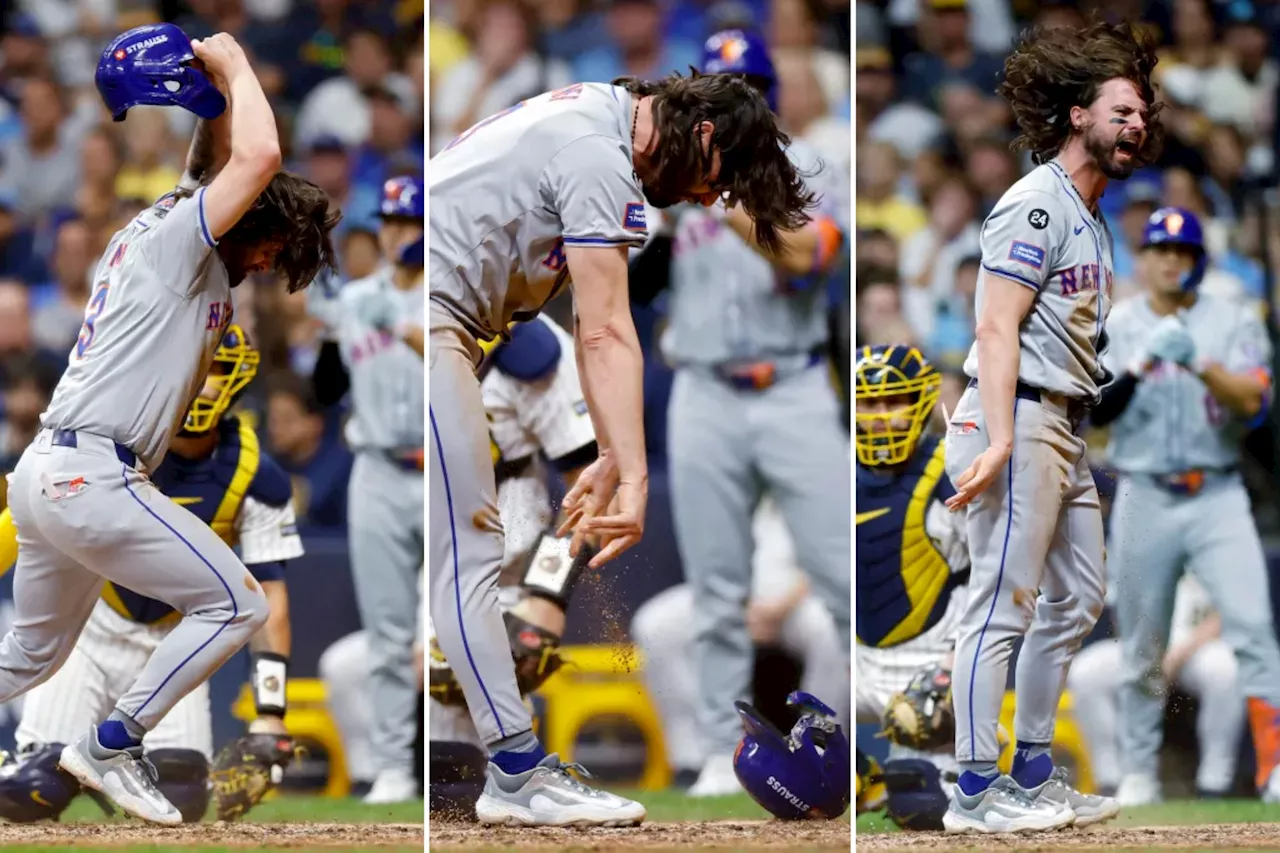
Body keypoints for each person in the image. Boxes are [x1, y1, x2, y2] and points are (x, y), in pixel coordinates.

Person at [429, 50, 815, 822]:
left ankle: (511, 766)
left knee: (468, 556)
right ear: (701, 131)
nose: (710, 195)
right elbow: (603, 329)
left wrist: (609, 450)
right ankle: (515, 770)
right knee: (471, 558)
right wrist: (631, 474)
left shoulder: (608, 114)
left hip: (461, 326)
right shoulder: (599, 151)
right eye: (719, 175)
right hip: (436, 323)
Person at [1, 25, 338, 824]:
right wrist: (239, 63)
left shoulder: (172, 223)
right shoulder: (187, 244)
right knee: (239, 604)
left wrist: (209, 101)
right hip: (93, 474)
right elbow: (253, 163)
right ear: (248, 230)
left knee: (27, 653)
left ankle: (110, 739)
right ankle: (112, 743)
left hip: (45, 472)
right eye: (270, 249)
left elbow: (219, 160)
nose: (268, 264)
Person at [940, 21, 1161, 834]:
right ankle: (972, 790)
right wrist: (998, 438)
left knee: (1078, 597)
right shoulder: (1036, 205)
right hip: (1020, 415)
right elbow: (996, 330)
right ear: (1077, 115)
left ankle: (1030, 770)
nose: (1135, 124)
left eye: (1140, 113)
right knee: (999, 604)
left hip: (1061, 423)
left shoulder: (1087, 211)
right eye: (1120, 110)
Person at [626, 28, 849, 798]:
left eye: (749, 82)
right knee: (716, 590)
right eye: (725, 85)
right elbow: (633, 285)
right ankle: (724, 755)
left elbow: (811, 260)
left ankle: (862, 747)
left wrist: (723, 199)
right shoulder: (664, 172)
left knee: (841, 576)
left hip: (791, 385)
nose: (738, 96)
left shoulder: (813, 163)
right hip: (704, 388)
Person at [0, 327, 302, 824]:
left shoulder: (254, 472)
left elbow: (271, 597)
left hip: (173, 639)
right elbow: (29, 515)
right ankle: (67, 762)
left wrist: (272, 712)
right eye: (197, 370)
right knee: (33, 789)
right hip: (91, 628)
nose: (203, 385)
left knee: (183, 793)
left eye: (217, 372)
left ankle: (109, 754)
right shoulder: (116, 440)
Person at [1090, 205, 1280, 803]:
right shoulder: (1118, 325)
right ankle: (1140, 770)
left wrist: (1199, 361)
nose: (1170, 261)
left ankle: (1274, 767)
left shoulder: (1232, 320)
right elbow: (1097, 411)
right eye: (1159, 251)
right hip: (1144, 490)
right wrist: (1143, 364)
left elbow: (1255, 403)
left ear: (1198, 261)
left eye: (1182, 252)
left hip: (1218, 491)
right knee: (1140, 644)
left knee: (1253, 631)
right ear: (1143, 260)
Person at [309, 175, 424, 804]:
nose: (396, 232)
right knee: (386, 633)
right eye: (388, 220)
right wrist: (327, 332)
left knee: (458, 628)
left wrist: (404, 330)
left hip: (440, 469)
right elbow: (323, 393)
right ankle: (391, 767)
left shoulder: (449, 293)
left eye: (408, 221)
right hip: (377, 466)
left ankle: (482, 759)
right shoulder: (356, 299)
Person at [633, 495, 846, 790]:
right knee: (656, 624)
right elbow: (709, 556)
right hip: (730, 598)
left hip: (799, 601)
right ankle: (692, 760)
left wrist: (779, 608)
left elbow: (835, 560)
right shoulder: (728, 476)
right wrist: (730, 603)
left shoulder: (817, 477)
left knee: (831, 629)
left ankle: (818, 750)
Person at [854, 344, 969, 830]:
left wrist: (957, 664)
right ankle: (858, 773)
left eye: (892, 402)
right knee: (795, 771)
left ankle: (981, 750)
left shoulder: (958, 465)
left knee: (922, 807)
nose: (880, 417)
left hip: (932, 661)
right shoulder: (832, 471)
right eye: (869, 404)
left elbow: (1001, 580)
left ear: (922, 402)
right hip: (858, 662)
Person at [1068, 576, 1244, 802]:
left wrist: (1177, 655)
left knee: (1226, 669)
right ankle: (1110, 782)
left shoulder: (1214, 546)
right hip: (1143, 645)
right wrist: (1148, 652)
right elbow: (1122, 611)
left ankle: (1215, 783)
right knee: (1087, 672)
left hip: (1198, 646)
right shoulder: (1134, 543)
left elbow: (1226, 614)